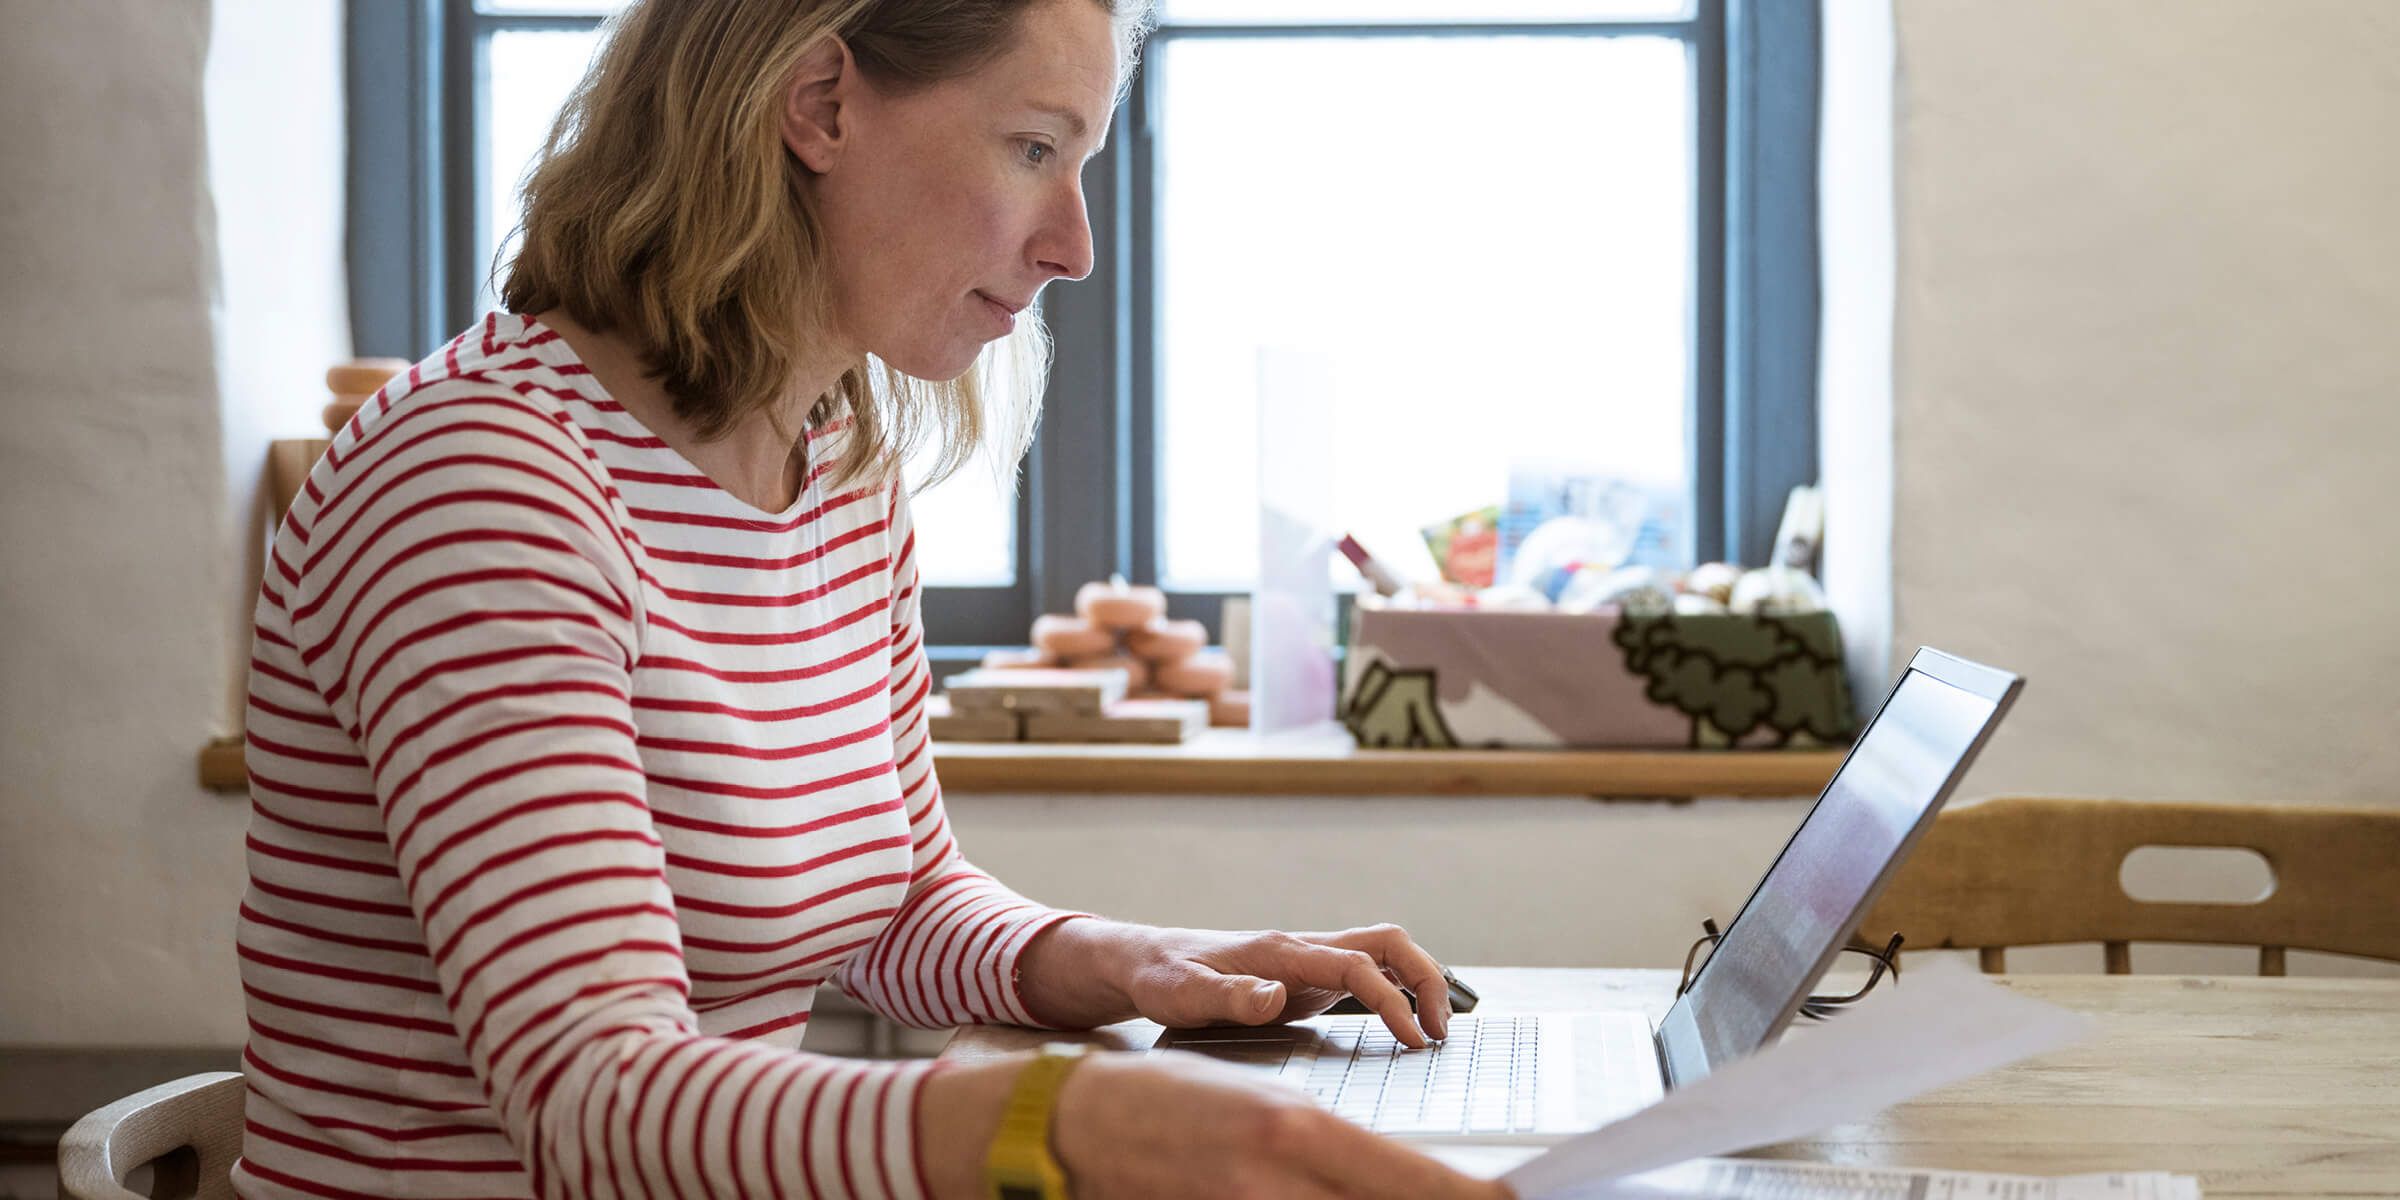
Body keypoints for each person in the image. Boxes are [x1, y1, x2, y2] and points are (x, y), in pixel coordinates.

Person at [234, 1, 1512, 1197]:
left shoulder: (834, 471)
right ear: (823, 106)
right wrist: (1058, 1120)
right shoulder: (486, 484)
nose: (1072, 245)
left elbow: (899, 902)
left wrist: (1151, 962)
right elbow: (590, 1098)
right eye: (1030, 148)